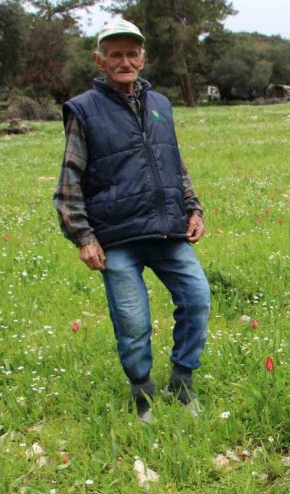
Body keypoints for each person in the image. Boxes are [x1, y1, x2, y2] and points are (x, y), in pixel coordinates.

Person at [52, 19, 210, 423]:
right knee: (133, 321)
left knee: (197, 300)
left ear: (143, 57)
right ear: (99, 60)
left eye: (132, 53)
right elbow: (69, 177)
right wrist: (83, 236)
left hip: (167, 230)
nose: (125, 61)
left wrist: (193, 208)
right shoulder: (84, 109)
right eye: (116, 54)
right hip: (116, 238)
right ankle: (143, 392)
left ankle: (182, 382)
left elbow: (173, 163)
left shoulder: (161, 105)